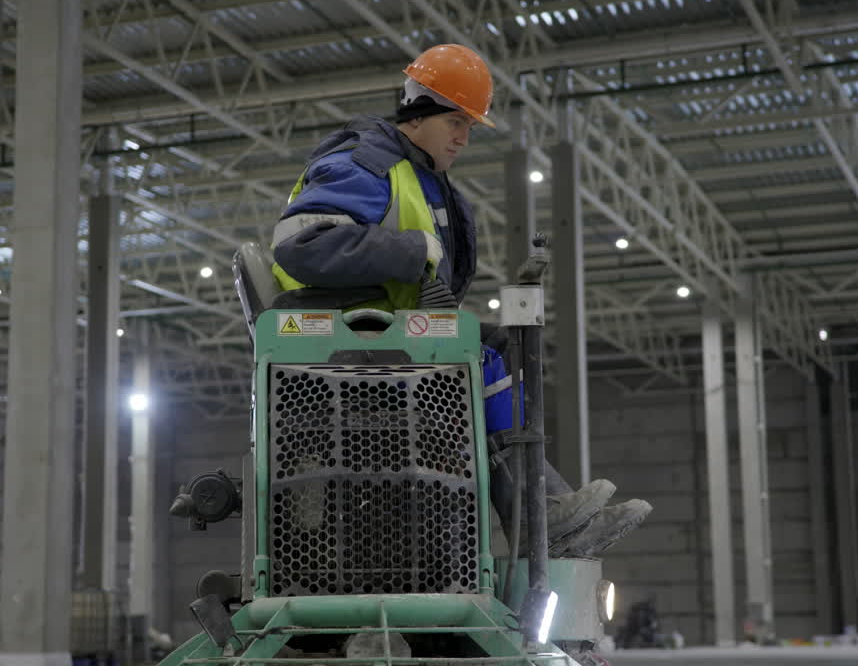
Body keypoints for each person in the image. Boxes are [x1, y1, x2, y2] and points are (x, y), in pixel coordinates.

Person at [269, 43, 650, 558]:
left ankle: (547, 514)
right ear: (417, 114)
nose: (463, 138)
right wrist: (411, 249)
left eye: (469, 126)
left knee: (502, 351)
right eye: (455, 122)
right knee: (480, 361)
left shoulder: (419, 176)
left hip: (379, 343)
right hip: (338, 354)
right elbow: (301, 244)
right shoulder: (367, 165)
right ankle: (539, 515)